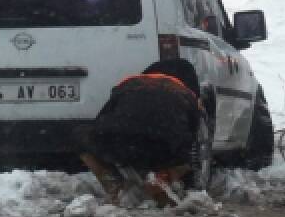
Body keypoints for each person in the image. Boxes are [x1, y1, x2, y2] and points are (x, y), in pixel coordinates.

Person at [75, 58, 206, 206]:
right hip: (163, 142)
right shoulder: (187, 94)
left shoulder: (128, 84)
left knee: (82, 137)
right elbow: (193, 140)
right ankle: (161, 179)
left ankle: (113, 184)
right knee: (183, 151)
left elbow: (100, 121)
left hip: (121, 137)